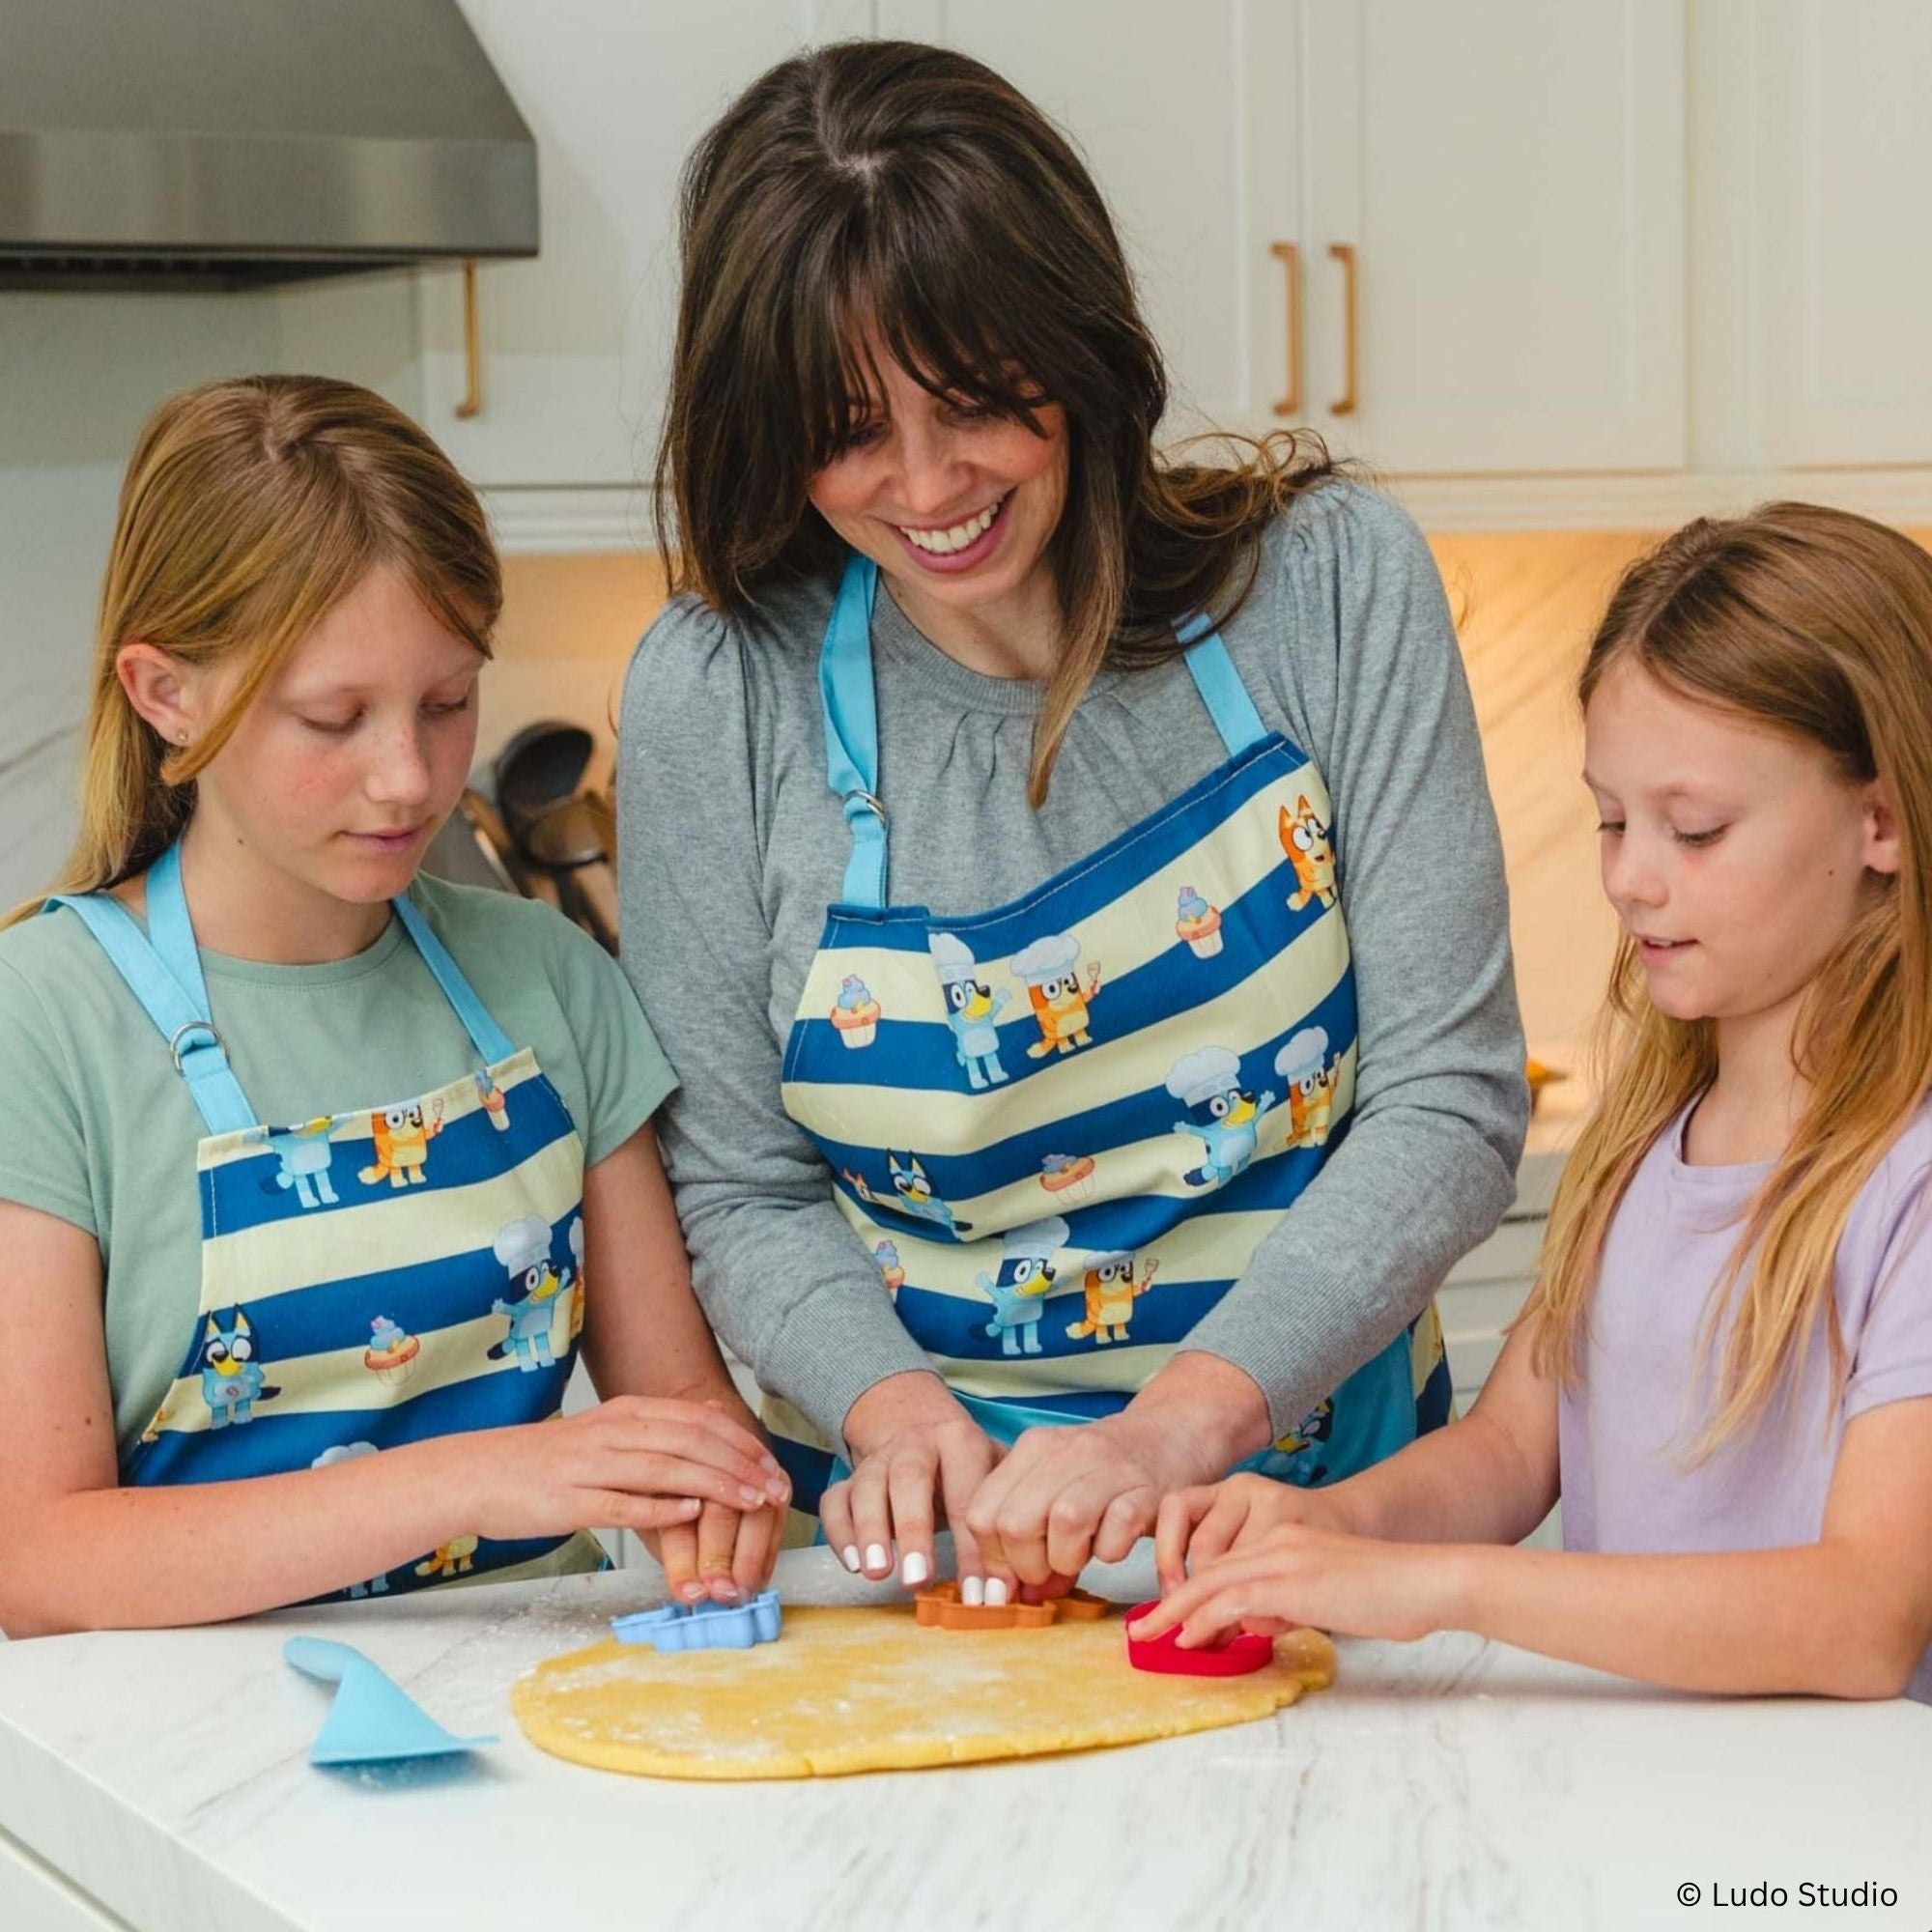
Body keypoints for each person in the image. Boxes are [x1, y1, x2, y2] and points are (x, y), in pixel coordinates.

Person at [620, 40, 1526, 1603]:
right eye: (849, 430)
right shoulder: (722, 693)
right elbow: (742, 1187)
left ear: (1077, 342)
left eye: (975, 398)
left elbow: (1449, 1102)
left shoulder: (1325, 585)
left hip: (1316, 1534)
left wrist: (1175, 1433)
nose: (926, 483)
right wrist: (895, 1413)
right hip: (934, 1570)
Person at [0, 376, 788, 1634]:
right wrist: (475, 1477)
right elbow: (36, 1563)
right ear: (165, 693)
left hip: (526, 1700)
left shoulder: (543, 976)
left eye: (446, 701)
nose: (409, 777)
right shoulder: (38, 1022)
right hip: (178, 1755)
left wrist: (723, 1492)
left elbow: (681, 1407)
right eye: (333, 716)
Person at [1141, 503, 1932, 1700]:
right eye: (1611, 819)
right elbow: (1512, 1450)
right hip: (1638, 1795)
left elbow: (1860, 1619)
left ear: (1879, 818)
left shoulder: (1907, 1178)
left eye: (1696, 828)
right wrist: (1319, 1530)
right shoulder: (1641, 1143)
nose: (1627, 876)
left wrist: (1447, 1587)